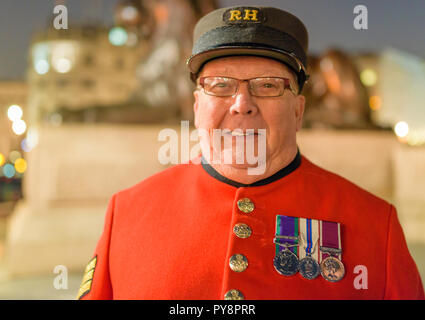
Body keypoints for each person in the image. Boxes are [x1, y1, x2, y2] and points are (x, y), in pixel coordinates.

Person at [77, 5, 424, 300]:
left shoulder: (377, 227)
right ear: (198, 107)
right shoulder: (125, 214)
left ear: (299, 111)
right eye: (221, 86)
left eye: (268, 86)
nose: (242, 105)